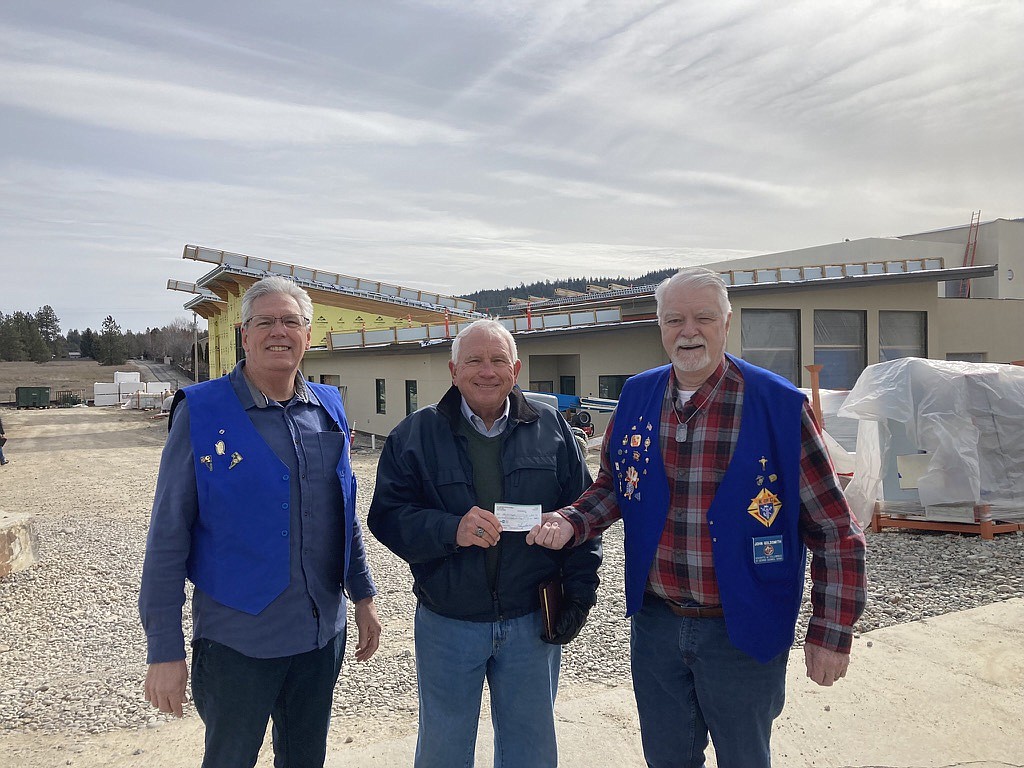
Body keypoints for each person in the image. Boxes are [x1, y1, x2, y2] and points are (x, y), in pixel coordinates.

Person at [528, 267, 866, 768]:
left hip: (743, 632)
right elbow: (615, 488)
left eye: (703, 317)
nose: (689, 331)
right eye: (674, 320)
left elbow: (836, 531)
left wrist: (830, 632)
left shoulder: (777, 406)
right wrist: (572, 520)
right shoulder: (638, 397)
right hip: (657, 627)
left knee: (744, 759)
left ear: (727, 323)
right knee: (667, 758)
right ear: (660, 328)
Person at [139, 275, 381, 768]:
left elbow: (344, 510)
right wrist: (164, 650)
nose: (279, 331)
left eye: (291, 321)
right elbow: (167, 537)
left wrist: (363, 597)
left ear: (308, 336)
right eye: (264, 321)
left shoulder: (328, 408)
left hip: (319, 636)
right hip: (238, 640)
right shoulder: (202, 411)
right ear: (243, 335)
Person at [368, 319, 601, 768]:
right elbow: (387, 516)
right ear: (453, 370)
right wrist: (448, 529)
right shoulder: (414, 435)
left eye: (497, 360)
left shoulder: (553, 429)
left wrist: (579, 595)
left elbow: (583, 516)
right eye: (474, 360)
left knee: (529, 749)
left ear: (515, 369)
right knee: (443, 749)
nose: (486, 371)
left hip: (531, 621)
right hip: (447, 623)